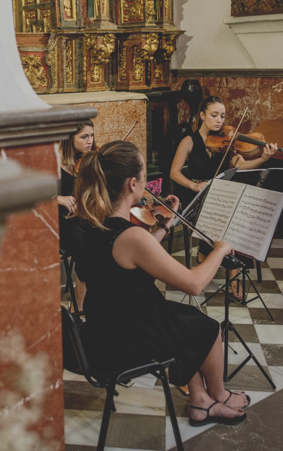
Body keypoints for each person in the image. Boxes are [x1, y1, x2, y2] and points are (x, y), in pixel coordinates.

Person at [72, 140, 248, 426]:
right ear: (132, 184)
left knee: (184, 320)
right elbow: (194, 284)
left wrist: (165, 225)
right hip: (128, 337)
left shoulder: (93, 224)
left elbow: (135, 256)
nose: (146, 184)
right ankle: (218, 396)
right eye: (144, 177)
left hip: (105, 323)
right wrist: (219, 250)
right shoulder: (131, 236)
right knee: (208, 328)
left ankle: (200, 400)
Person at [169, 96, 279, 300]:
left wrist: (263, 158)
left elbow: (241, 165)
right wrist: (194, 185)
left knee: (236, 215)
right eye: (214, 115)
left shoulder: (226, 143)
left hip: (220, 194)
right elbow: (174, 172)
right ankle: (208, 255)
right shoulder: (189, 141)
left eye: (222, 116)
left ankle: (231, 274)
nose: (219, 120)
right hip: (196, 194)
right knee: (225, 216)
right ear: (202, 115)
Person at [57, 120, 96, 309]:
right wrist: (59, 198)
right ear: (69, 138)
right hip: (62, 223)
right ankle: (78, 309)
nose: (90, 141)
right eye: (84, 137)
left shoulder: (88, 160)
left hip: (83, 218)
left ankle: (92, 302)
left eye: (92, 135)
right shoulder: (53, 162)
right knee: (88, 254)